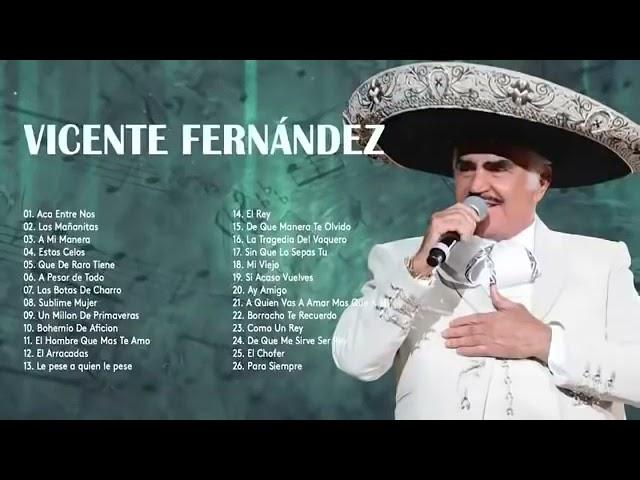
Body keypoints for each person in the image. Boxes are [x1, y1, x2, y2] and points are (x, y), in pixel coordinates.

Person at [332, 61, 640, 419]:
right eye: (465, 168)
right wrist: (418, 270)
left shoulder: (600, 261)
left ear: (541, 182)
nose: (477, 185)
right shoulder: (403, 259)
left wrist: (546, 343)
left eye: (498, 168)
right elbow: (354, 359)